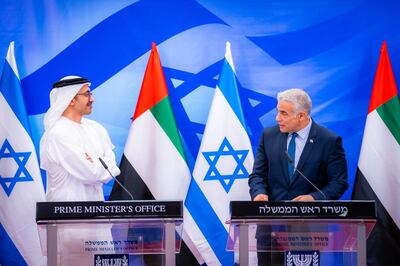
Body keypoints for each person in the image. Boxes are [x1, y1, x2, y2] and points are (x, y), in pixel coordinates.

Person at [248, 88, 348, 265]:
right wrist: (258, 193)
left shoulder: (328, 141)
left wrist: (313, 197)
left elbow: (338, 182)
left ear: (301, 116)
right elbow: (257, 175)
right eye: (278, 111)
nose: (277, 118)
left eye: (283, 113)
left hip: (307, 229)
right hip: (269, 227)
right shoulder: (268, 136)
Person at [40, 76, 121, 202]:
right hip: (66, 215)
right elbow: (90, 174)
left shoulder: (96, 128)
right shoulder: (58, 133)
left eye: (91, 94)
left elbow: (112, 167)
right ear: (71, 99)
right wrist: (98, 164)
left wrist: (93, 162)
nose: (92, 99)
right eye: (86, 94)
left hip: (98, 213)